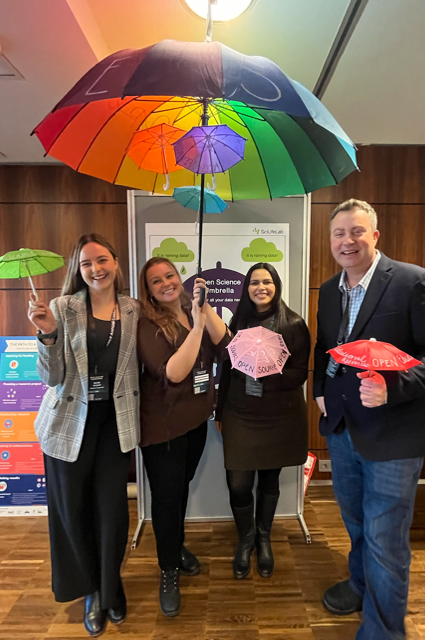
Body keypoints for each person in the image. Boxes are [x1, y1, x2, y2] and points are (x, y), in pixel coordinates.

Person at [313, 199, 425, 640]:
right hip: (343, 430)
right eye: (339, 233)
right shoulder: (329, 290)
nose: (347, 241)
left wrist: (392, 389)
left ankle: (383, 632)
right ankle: (361, 585)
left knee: (385, 539)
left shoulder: (414, 282)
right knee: (358, 524)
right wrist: (320, 391)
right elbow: (326, 348)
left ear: (375, 236)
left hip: (396, 436)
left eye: (357, 231)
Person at [27, 233, 140, 638]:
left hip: (114, 425)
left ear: (115, 263)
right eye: (87, 263)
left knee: (112, 512)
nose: (96, 268)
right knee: (73, 512)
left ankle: (112, 586)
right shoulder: (61, 308)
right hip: (67, 424)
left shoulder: (133, 309)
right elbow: (51, 376)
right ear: (79, 270)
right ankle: (92, 590)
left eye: (102, 259)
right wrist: (47, 335)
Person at [137, 257, 230, 617]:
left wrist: (204, 311)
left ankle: (175, 547)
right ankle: (168, 570)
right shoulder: (147, 323)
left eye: (170, 275)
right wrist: (197, 326)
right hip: (163, 427)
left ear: (180, 277)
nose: (166, 283)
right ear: (148, 290)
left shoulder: (195, 310)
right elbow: (174, 373)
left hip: (195, 421)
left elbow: (227, 347)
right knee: (166, 498)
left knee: (179, 491)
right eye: (156, 281)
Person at [215, 263, 310, 580]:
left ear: (276, 285)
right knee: (238, 483)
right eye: (254, 282)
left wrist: (269, 372)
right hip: (240, 413)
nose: (261, 287)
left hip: (278, 415)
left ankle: (263, 538)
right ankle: (246, 539)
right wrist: (220, 410)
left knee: (269, 480)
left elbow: (300, 374)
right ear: (247, 288)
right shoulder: (238, 321)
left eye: (267, 281)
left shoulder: (293, 323)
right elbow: (227, 368)